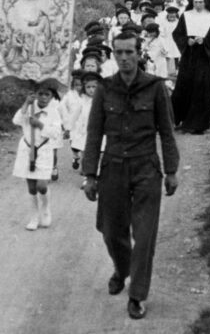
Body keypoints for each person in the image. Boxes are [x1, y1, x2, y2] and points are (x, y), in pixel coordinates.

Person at [82, 31, 180, 320]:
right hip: (112, 167)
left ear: (139, 54)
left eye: (129, 52)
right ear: (113, 55)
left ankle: (137, 294)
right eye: (119, 53)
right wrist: (90, 174)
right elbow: (93, 133)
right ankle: (121, 269)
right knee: (112, 231)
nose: (124, 58)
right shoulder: (104, 89)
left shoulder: (155, 88)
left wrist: (171, 170)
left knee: (145, 234)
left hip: (146, 168)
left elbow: (167, 131)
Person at [12, 80, 62, 230]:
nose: (43, 97)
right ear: (36, 94)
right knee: (32, 187)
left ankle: (45, 208)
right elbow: (16, 121)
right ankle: (34, 215)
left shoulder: (54, 113)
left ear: (52, 96)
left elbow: (55, 133)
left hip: (44, 150)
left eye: (47, 94)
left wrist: (40, 125)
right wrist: (26, 104)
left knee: (41, 185)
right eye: (40, 94)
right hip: (27, 149)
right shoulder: (28, 108)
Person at [171, 0, 210, 134]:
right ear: (192, 2)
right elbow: (177, 34)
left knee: (202, 87)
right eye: (196, 2)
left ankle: (198, 124)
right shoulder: (186, 16)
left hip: (204, 57)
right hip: (189, 56)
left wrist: (205, 41)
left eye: (201, 2)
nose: (198, 5)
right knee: (184, 85)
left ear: (205, 2)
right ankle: (182, 119)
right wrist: (186, 41)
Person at [59, 70, 85, 171]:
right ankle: (75, 156)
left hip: (83, 124)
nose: (79, 87)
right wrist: (65, 122)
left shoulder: (86, 96)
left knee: (84, 145)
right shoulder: (69, 95)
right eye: (76, 85)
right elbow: (62, 107)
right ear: (73, 86)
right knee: (74, 144)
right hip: (72, 123)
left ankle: (84, 165)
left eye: (81, 85)